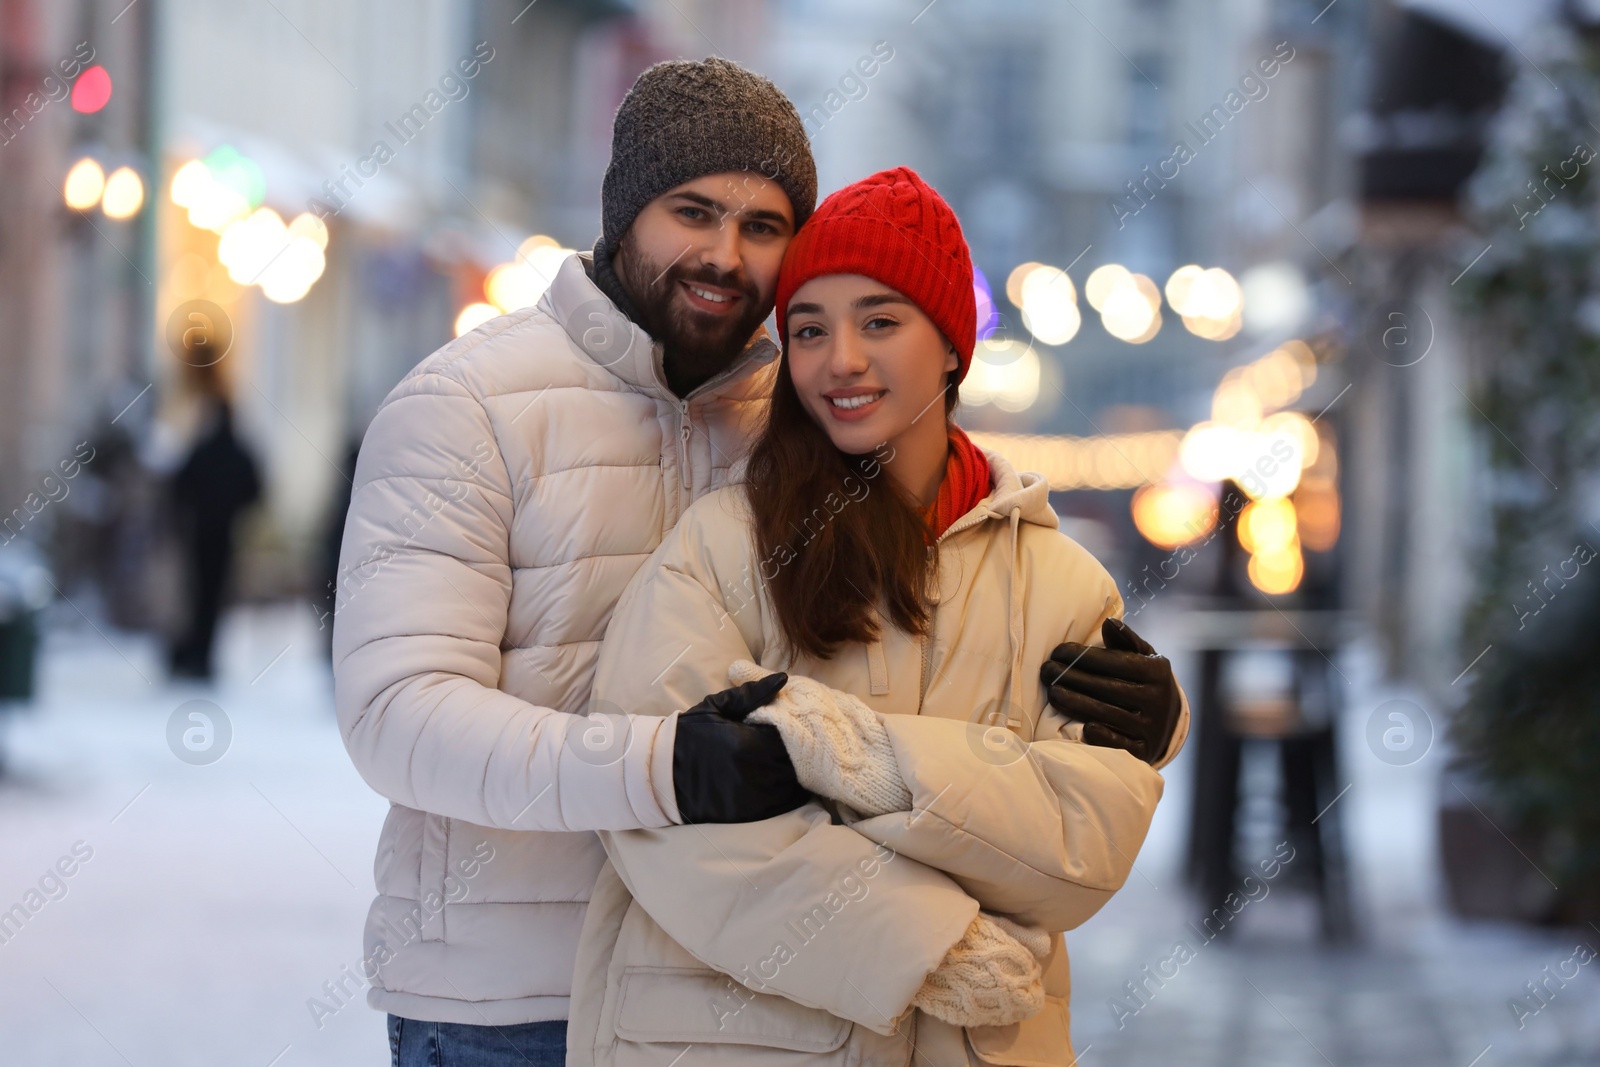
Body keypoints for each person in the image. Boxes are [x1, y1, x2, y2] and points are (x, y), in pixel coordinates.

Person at [334, 59, 1184, 1067]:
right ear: (625, 213)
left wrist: (1132, 717)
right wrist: (661, 767)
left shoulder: (804, 406)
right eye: (692, 212)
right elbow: (399, 714)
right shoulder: (468, 407)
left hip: (730, 994)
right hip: (509, 989)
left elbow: (954, 566)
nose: (725, 254)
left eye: (763, 225)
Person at [570, 167, 1189, 1066]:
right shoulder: (724, 547)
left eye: (880, 321)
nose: (841, 360)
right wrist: (926, 942)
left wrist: (840, 754)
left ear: (951, 344)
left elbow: (1082, 848)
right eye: (810, 330)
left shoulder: (1063, 583)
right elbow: (665, 816)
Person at [166, 358, 262, 680]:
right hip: (222, 536)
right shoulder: (238, 453)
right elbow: (255, 493)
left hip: (201, 534)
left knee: (197, 595)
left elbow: (178, 488)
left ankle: (195, 655)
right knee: (212, 598)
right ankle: (202, 656)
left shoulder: (203, 450)